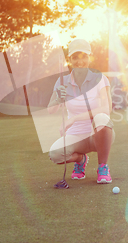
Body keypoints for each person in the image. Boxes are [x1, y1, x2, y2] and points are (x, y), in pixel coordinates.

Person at [48, 38, 114, 183]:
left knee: (102, 118)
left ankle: (103, 166)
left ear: (89, 57)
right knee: (55, 154)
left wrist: (74, 119)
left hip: (98, 134)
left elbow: (106, 108)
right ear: (69, 59)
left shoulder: (100, 78)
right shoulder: (62, 81)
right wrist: (58, 99)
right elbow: (51, 110)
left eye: (84, 56)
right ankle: (81, 159)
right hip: (75, 136)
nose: (80, 61)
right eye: (75, 57)